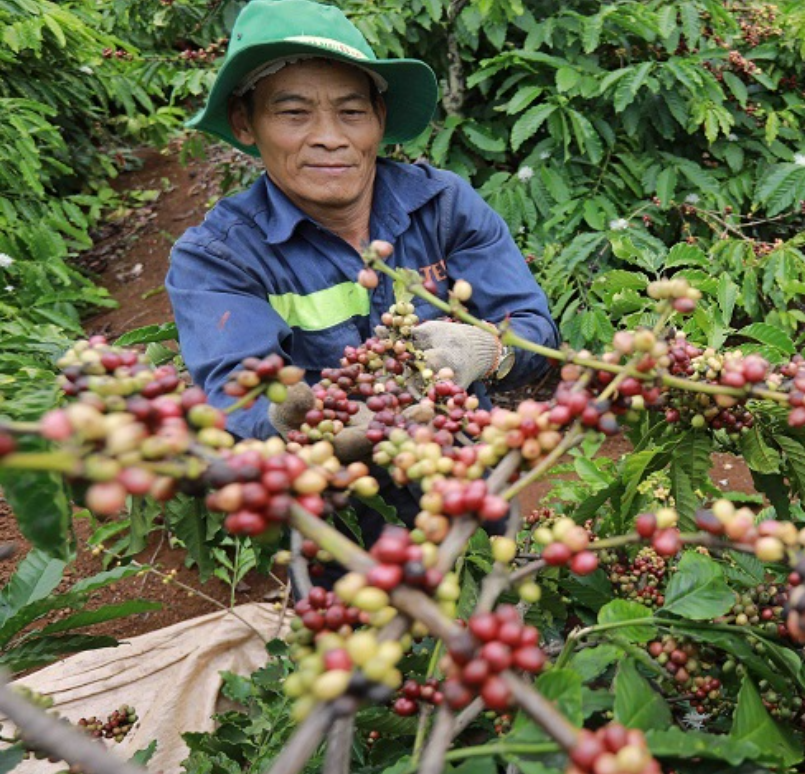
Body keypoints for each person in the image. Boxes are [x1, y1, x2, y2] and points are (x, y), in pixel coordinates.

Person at [166, 0, 558, 458]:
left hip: (467, 475)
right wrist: (304, 422)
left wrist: (488, 350)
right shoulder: (218, 258)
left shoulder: (443, 207)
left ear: (380, 120)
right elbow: (241, 400)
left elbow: (534, 329)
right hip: (332, 505)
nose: (329, 137)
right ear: (244, 123)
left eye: (351, 112)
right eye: (294, 113)